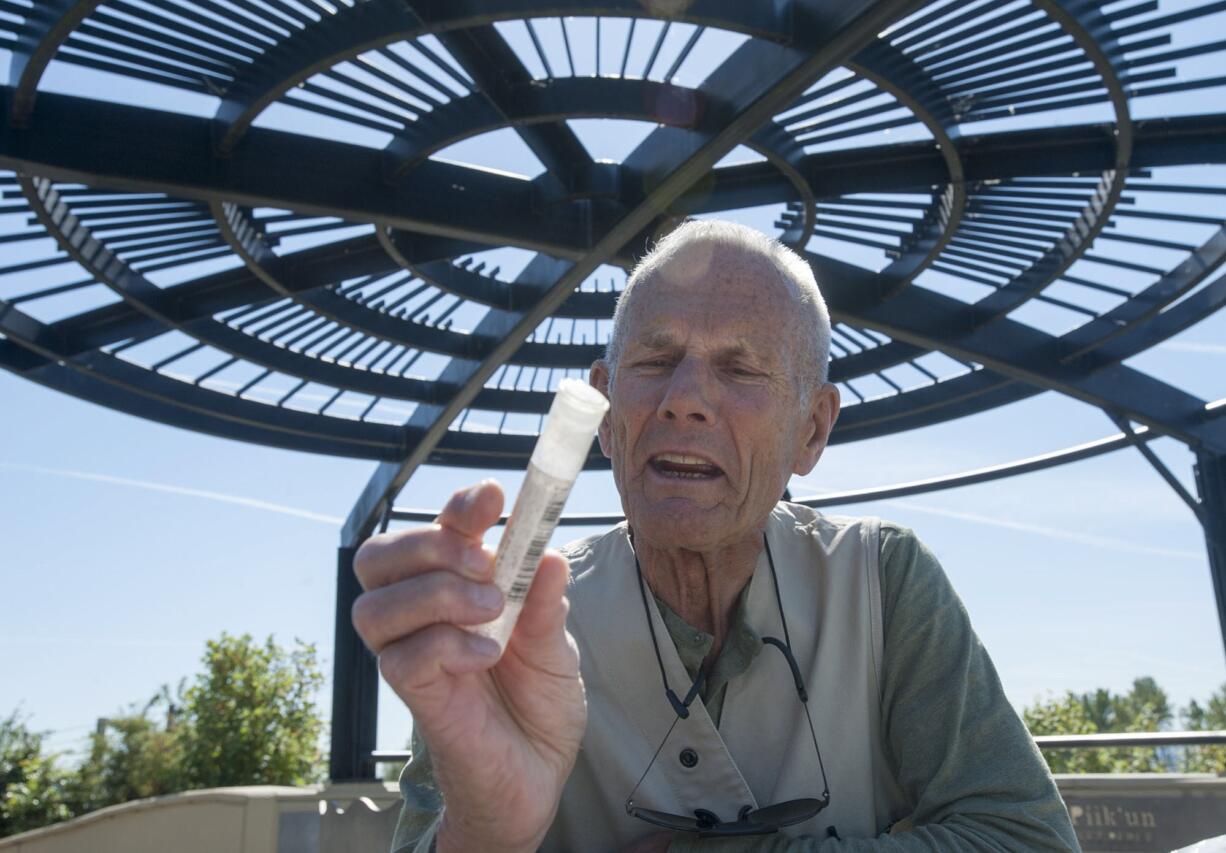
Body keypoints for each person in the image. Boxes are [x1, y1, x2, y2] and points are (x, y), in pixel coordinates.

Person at [352, 220, 1080, 852]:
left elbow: (1026, 838)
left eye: (740, 366)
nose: (685, 400)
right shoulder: (507, 626)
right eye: (655, 360)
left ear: (813, 429)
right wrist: (486, 832)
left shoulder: (881, 580)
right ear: (606, 414)